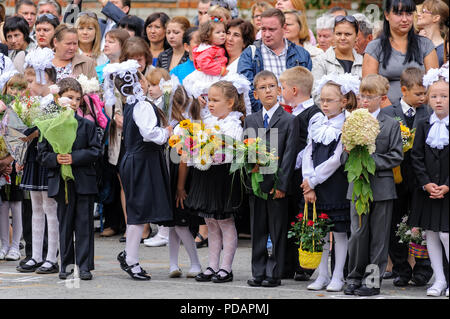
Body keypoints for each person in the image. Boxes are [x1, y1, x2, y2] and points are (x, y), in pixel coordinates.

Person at [104, 60, 172, 281]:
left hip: (138, 160)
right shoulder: (141, 105)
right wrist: (167, 132)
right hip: (142, 161)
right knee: (138, 212)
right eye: (142, 77)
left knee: (138, 211)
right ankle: (131, 259)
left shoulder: (133, 104)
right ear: (138, 82)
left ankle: (130, 256)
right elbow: (149, 133)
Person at [343, 74, 404, 297]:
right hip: (357, 186)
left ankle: (372, 280)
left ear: (383, 98)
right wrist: (349, 155)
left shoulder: (390, 124)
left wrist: (369, 161)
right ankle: (354, 276)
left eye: (370, 97)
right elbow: (343, 157)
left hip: (382, 188)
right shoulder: (351, 120)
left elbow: (396, 156)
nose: (365, 101)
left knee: (379, 236)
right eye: (362, 96)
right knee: (357, 233)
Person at [38, 77, 101, 281]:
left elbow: (95, 151)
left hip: (84, 180)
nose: (73, 102)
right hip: (61, 181)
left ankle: (84, 266)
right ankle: (66, 264)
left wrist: (74, 157)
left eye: (77, 98)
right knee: (64, 224)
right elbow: (41, 154)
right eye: (69, 97)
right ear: (58, 99)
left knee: (84, 224)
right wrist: (56, 158)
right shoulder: (49, 126)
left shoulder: (87, 125)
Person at [302, 74, 359, 292]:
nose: (324, 104)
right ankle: (322, 274)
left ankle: (338, 275)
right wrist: (307, 180)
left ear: (343, 101)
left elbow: (336, 159)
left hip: (335, 183)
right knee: (321, 230)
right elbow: (308, 150)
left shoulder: (347, 123)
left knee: (340, 231)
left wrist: (314, 180)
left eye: (330, 100)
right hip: (314, 184)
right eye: (322, 100)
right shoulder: (316, 120)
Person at [185, 81, 244, 283]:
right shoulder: (207, 121)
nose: (210, 104)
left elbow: (231, 153)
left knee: (225, 222)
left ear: (230, 103)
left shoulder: (234, 125)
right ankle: (212, 265)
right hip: (206, 175)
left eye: (215, 100)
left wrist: (209, 149)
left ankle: (226, 268)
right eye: (209, 99)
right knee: (210, 222)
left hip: (222, 177)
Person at [245, 70, 299, 288]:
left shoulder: (289, 120)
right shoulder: (251, 119)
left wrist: (281, 185)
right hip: (258, 183)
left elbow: (289, 155)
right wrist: (252, 172)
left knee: (277, 229)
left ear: (279, 90)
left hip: (276, 185)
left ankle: (274, 272)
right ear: (255, 94)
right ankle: (258, 271)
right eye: (262, 87)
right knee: (258, 229)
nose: (267, 90)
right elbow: (247, 150)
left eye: (271, 86)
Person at [381, 67, 434, 287]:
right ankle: (401, 268)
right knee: (396, 222)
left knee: (421, 223)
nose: (423, 98)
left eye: (425, 94)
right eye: (418, 94)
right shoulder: (388, 113)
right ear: (403, 90)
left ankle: (423, 269)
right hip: (396, 179)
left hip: (421, 177)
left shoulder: (429, 113)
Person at [16, 48, 59, 275]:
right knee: (36, 208)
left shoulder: (53, 101)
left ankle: (52, 257)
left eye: (31, 80)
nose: (29, 85)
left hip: (48, 157)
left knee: (50, 209)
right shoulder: (34, 102)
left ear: (44, 78)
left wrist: (24, 131)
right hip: (34, 156)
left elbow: (38, 129)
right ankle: (36, 256)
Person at [408, 64, 449, 297]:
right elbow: (416, 156)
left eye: (444, 96)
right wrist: (426, 183)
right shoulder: (424, 124)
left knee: (446, 234)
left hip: (447, 190)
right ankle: (439, 279)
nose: (439, 100)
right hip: (428, 189)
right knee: (431, 233)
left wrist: (447, 185)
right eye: (434, 96)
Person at [279, 66, 322, 281]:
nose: (280, 91)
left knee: (302, 217)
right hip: (288, 174)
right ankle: (285, 263)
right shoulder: (288, 112)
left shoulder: (313, 113)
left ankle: (304, 264)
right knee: (286, 217)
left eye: (283, 87)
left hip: (303, 174)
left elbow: (310, 146)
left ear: (294, 90)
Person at [363, 0, 439, 106]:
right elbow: (371, 88)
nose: (404, 19)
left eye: (408, 14)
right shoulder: (375, 47)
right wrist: (395, 115)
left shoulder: (425, 45)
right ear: (387, 15)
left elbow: (433, 85)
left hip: (421, 110)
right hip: (385, 113)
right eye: (398, 14)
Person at [238, 8, 312, 113]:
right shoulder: (250, 54)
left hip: (296, 118)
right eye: (263, 29)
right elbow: (247, 91)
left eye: (272, 29)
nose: (267, 34)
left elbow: (308, 91)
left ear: (284, 28)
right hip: (263, 120)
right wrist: (271, 111)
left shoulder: (302, 54)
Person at [165, 85, 202, 278]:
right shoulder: (181, 125)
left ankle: (195, 263)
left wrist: (180, 187)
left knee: (180, 223)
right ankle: (173, 264)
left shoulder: (183, 127)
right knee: (173, 224)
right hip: (176, 176)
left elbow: (183, 161)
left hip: (181, 179)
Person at [312, 15, 363, 96]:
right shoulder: (321, 61)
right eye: (338, 34)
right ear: (333, 35)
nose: (342, 38)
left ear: (356, 37)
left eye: (347, 34)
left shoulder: (363, 62)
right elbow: (316, 93)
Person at [416, 0, 449, 67]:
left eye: (423, 11)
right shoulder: (415, 41)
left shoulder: (444, 50)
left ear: (436, 18)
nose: (418, 14)